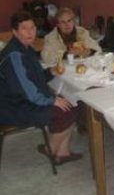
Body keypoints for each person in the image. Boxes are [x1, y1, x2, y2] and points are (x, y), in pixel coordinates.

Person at [0, 11, 82, 165]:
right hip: (12, 107)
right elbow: (26, 90)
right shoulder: (15, 55)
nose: (30, 32)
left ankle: (62, 153)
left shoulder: (26, 49)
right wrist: (50, 100)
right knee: (63, 111)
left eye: (32, 28)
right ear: (15, 32)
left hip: (21, 100)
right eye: (25, 28)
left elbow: (35, 79)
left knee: (72, 105)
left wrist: (50, 71)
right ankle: (50, 149)